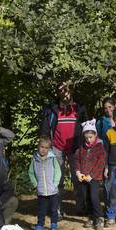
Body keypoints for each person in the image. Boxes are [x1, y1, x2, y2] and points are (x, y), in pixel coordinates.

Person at [39, 82, 87, 215]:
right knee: (57, 179)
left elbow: (87, 128)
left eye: (66, 90)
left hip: (75, 148)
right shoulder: (52, 109)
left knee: (78, 179)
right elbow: (45, 129)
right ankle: (57, 208)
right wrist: (45, 147)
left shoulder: (79, 108)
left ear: (70, 91)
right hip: (56, 148)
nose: (64, 93)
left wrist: (84, 147)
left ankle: (81, 207)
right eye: (60, 91)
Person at [74, 120, 107, 230]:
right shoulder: (82, 147)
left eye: (90, 137)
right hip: (83, 177)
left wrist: (91, 175)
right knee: (86, 197)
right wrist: (78, 171)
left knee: (94, 197)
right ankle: (91, 217)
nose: (88, 140)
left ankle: (99, 217)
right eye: (86, 137)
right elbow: (77, 159)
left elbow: (100, 163)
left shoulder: (99, 147)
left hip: (94, 178)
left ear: (95, 135)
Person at [28, 136, 61, 230]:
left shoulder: (52, 158)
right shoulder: (35, 159)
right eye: (42, 147)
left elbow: (57, 171)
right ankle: (40, 225)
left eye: (46, 148)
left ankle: (54, 224)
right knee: (41, 210)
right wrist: (35, 184)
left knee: (53, 209)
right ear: (38, 147)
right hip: (41, 190)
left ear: (49, 149)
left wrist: (55, 184)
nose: (43, 149)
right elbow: (31, 173)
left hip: (52, 190)